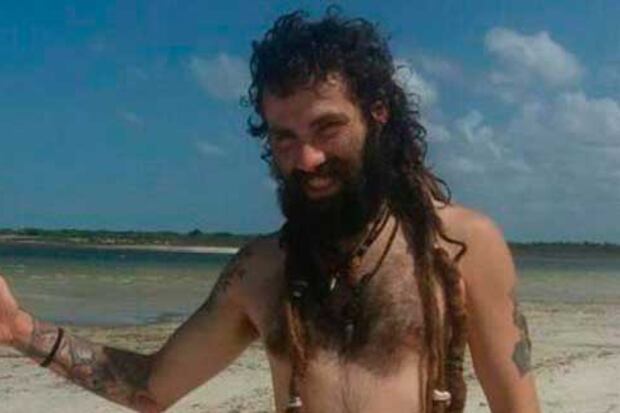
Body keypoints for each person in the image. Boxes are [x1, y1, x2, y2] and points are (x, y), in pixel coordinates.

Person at [0, 9, 540, 413]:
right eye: (285, 138)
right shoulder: (262, 271)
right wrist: (19, 328)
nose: (307, 159)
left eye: (327, 128)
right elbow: (151, 387)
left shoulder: (461, 246)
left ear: (378, 115)